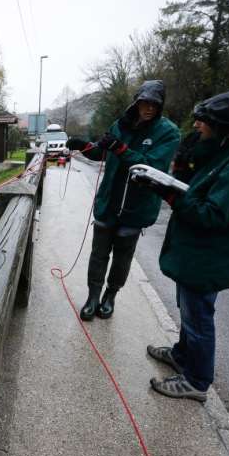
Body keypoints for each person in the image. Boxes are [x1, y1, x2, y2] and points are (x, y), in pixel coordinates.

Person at [137, 90, 229, 402]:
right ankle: (182, 356)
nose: (197, 125)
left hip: (210, 254)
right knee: (189, 309)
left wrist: (168, 192)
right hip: (198, 251)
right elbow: (204, 182)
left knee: (198, 317)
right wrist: (186, 163)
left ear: (225, 127)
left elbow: (212, 214)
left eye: (205, 121)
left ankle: (197, 381)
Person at [66, 80, 180, 321]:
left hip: (136, 206)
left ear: (160, 106)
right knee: (98, 254)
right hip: (109, 202)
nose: (148, 108)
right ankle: (93, 297)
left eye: (154, 104)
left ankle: (110, 296)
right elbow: (101, 151)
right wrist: (84, 146)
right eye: (144, 103)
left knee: (122, 257)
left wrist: (121, 149)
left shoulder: (168, 132)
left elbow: (151, 166)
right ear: (136, 102)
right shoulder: (120, 125)